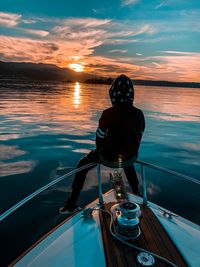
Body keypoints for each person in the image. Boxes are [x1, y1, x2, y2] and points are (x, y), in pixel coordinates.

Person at [59, 74, 145, 214]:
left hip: (107, 157)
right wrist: (130, 151)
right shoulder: (139, 114)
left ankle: (71, 203)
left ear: (113, 94)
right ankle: (137, 193)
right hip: (130, 157)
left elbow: (99, 139)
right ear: (131, 94)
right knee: (127, 161)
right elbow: (138, 137)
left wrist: (100, 152)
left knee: (82, 164)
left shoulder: (107, 113)